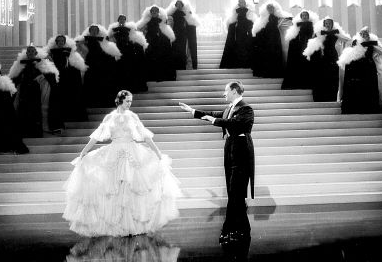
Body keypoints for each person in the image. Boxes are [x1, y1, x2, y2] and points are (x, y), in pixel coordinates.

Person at [63, 90, 181, 237]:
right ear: (119, 101)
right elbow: (96, 136)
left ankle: (133, 225)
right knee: (114, 188)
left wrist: (158, 153)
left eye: (131, 101)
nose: (129, 104)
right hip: (114, 152)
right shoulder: (110, 117)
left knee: (131, 187)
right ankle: (116, 225)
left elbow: (145, 136)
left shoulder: (133, 116)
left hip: (132, 152)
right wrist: (83, 152)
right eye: (127, 101)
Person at [178, 81, 254, 247]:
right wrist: (193, 111)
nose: (223, 93)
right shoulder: (229, 109)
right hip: (230, 152)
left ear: (234, 91)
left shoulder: (245, 108)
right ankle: (241, 230)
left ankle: (230, 230)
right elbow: (215, 114)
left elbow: (235, 123)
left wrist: (215, 121)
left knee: (236, 193)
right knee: (234, 194)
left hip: (241, 154)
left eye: (226, 90)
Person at [8, 46, 59, 138]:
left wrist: (41, 77)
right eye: (29, 51)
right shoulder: (20, 64)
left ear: (36, 53)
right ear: (26, 53)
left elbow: (50, 76)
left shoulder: (42, 63)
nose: (30, 53)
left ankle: (36, 132)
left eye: (32, 51)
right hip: (24, 90)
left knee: (35, 111)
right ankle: (24, 132)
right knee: (23, 110)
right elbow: (15, 77)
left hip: (35, 91)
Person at [338, 27, 382, 114]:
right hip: (359, 68)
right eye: (362, 34)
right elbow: (352, 52)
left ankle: (369, 107)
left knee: (369, 88)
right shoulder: (356, 42)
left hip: (369, 68)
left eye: (366, 34)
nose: (364, 35)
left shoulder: (372, 43)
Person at [303, 17, 351, 102]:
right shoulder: (320, 33)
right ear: (324, 24)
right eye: (326, 23)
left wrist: (336, 34)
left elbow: (347, 39)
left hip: (332, 56)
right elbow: (313, 42)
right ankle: (322, 97)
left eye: (329, 23)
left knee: (333, 76)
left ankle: (332, 97)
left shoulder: (336, 32)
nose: (327, 25)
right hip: (323, 57)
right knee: (324, 76)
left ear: (332, 24)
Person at [75, 24, 122, 108]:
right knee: (90, 81)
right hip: (90, 62)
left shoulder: (102, 39)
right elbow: (79, 45)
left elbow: (107, 49)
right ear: (89, 31)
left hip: (100, 63)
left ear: (98, 31)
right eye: (92, 30)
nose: (94, 31)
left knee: (100, 81)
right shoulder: (85, 39)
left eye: (95, 30)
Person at [46, 35, 88, 124]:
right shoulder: (51, 51)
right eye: (59, 41)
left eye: (62, 41)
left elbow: (73, 62)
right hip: (57, 75)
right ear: (56, 42)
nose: (61, 42)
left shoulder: (69, 50)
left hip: (67, 76)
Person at [107, 15, 148, 93]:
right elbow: (109, 37)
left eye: (123, 19)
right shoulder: (113, 29)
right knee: (119, 68)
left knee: (128, 67)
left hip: (127, 49)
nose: (122, 20)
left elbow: (133, 36)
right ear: (118, 20)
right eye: (121, 19)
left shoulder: (129, 28)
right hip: (118, 48)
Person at [251, 2, 292, 78]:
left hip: (276, 37)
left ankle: (276, 72)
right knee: (269, 54)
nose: (270, 9)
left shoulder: (279, 16)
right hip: (267, 38)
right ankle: (268, 72)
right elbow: (259, 27)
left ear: (274, 8)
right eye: (269, 8)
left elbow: (286, 21)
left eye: (271, 8)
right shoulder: (264, 17)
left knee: (276, 53)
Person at [137, 6, 176, 82]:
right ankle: (153, 77)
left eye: (155, 11)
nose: (154, 13)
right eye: (152, 11)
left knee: (162, 57)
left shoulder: (163, 20)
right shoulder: (147, 20)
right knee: (151, 58)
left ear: (158, 12)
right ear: (150, 13)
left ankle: (163, 76)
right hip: (151, 41)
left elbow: (166, 28)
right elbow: (141, 28)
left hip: (161, 41)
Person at [281, 10, 318, 89]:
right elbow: (294, 36)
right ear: (301, 17)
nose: (304, 17)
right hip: (300, 47)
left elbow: (314, 36)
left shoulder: (312, 25)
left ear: (308, 17)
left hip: (308, 47)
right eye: (303, 15)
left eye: (306, 15)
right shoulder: (298, 25)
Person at [220, 0, 257, 69]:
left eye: (243, 2)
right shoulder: (235, 13)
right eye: (240, 2)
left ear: (246, 3)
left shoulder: (250, 13)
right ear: (238, 4)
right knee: (239, 48)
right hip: (238, 35)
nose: (241, 3)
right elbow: (231, 24)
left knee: (245, 49)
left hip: (246, 36)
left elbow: (251, 24)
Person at [166, 0, 200, 70]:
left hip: (183, 35)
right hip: (176, 34)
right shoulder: (173, 14)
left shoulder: (186, 13)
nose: (178, 6)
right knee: (176, 50)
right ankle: (177, 66)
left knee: (184, 51)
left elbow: (191, 23)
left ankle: (185, 66)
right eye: (177, 4)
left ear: (182, 5)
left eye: (180, 4)